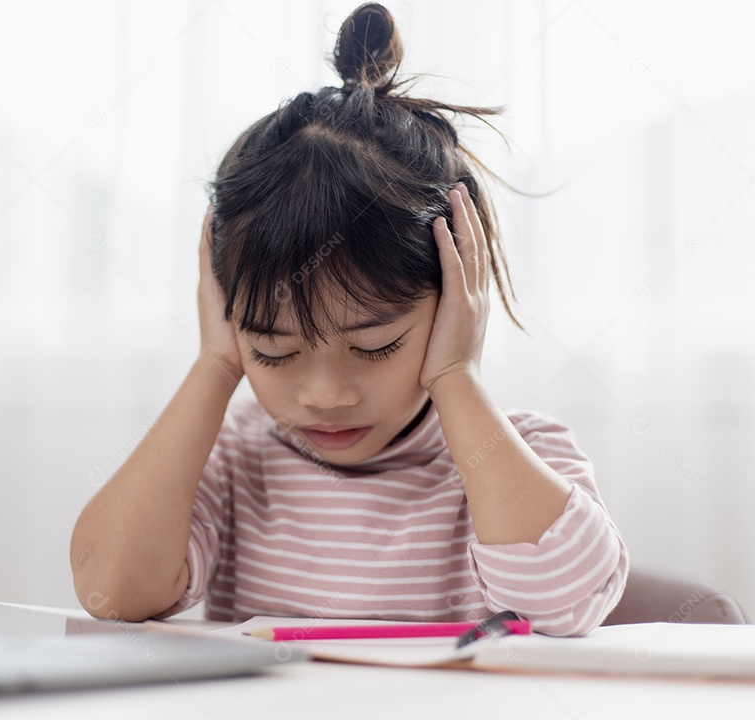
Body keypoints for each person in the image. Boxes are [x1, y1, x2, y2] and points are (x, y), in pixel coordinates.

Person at [71, 2, 628, 637]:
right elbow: (109, 590)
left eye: (375, 346)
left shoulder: (521, 453)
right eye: (273, 352)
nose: (325, 396)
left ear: (455, 301)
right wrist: (215, 365)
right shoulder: (231, 460)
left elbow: (566, 602)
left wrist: (455, 377)